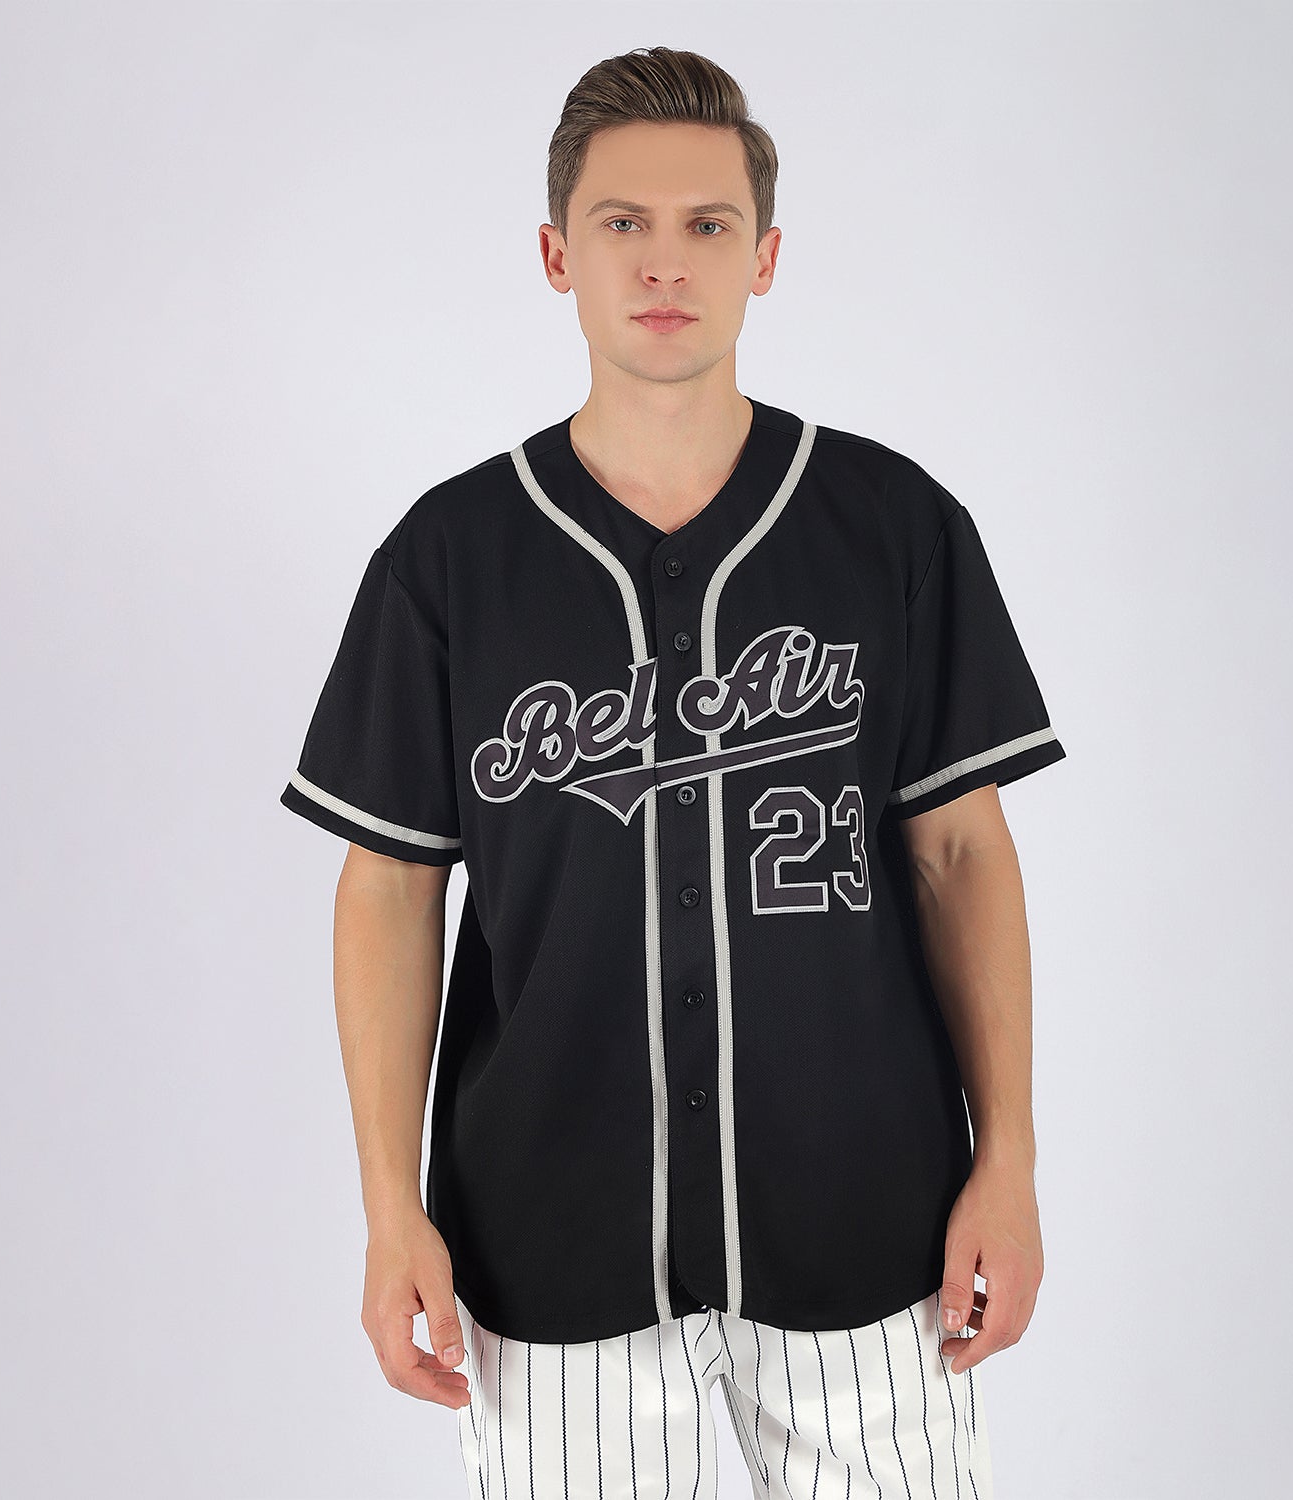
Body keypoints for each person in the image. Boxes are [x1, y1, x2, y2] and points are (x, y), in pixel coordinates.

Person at [280, 44, 1066, 1500]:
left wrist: (1007, 1159)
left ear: (764, 257)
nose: (665, 261)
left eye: (708, 223)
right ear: (556, 256)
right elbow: (387, 887)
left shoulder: (894, 525)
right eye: (621, 222)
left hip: (869, 1216)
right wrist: (390, 1207)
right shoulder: (451, 558)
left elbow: (962, 851)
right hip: (543, 1228)